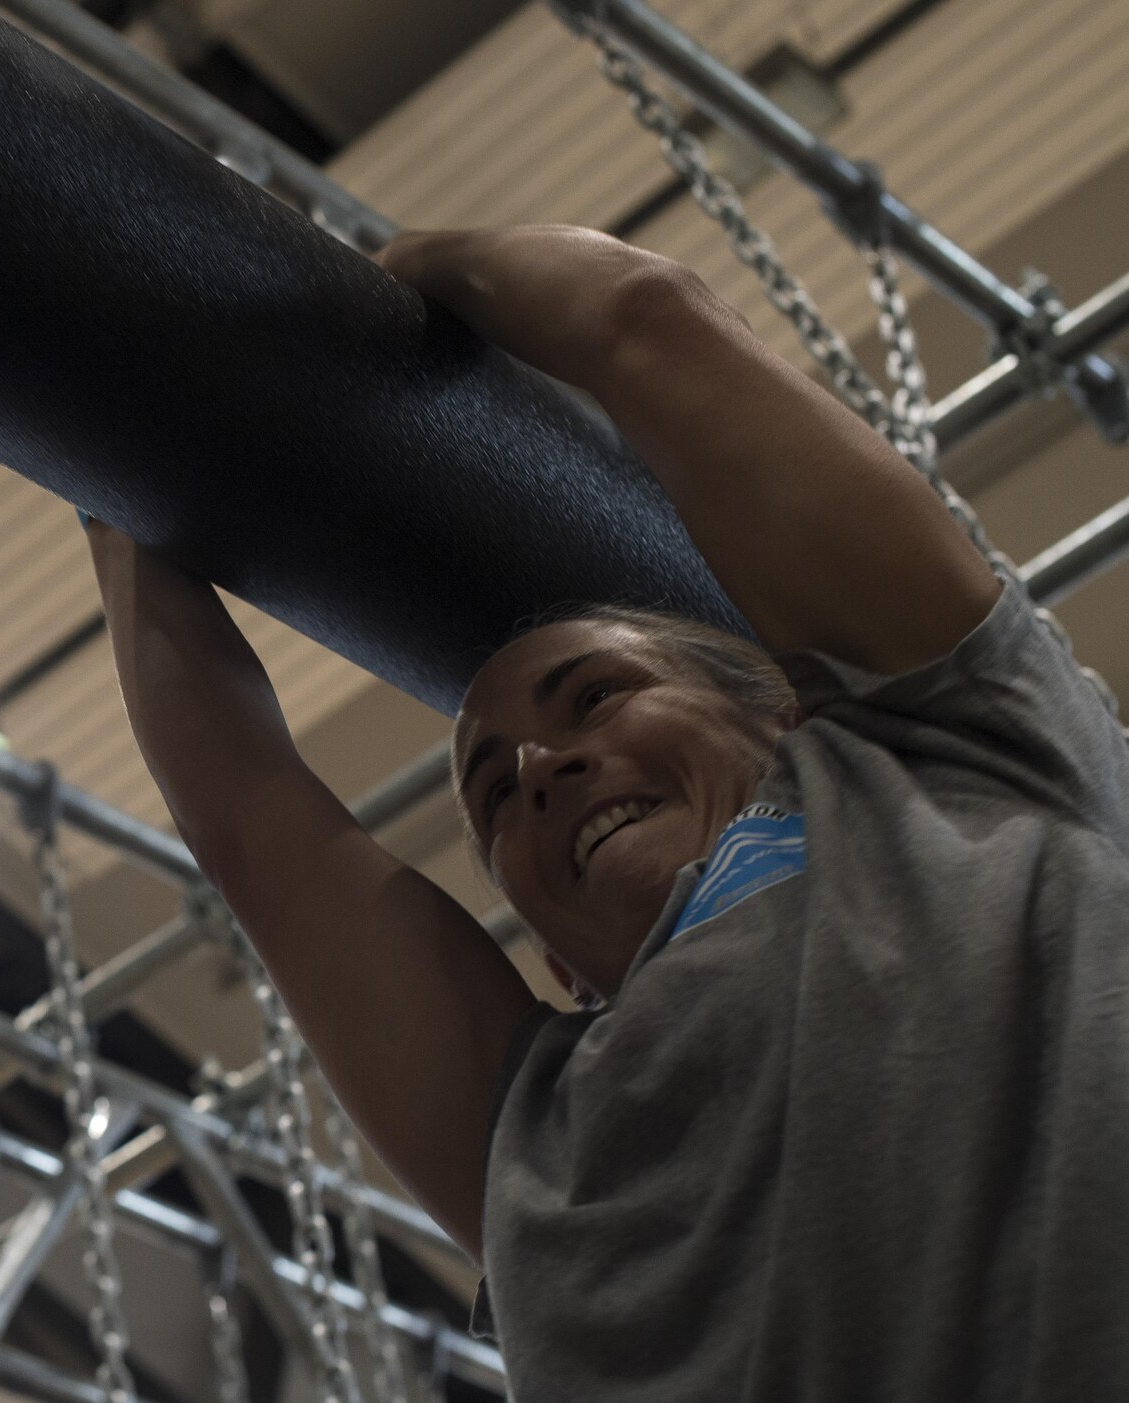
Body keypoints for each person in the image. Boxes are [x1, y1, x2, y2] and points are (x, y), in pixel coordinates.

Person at [84, 225, 1129, 1401]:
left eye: (595, 696)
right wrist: (96, 448)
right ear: (555, 964)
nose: (535, 766)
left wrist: (390, 271)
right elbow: (246, 816)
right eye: (491, 792)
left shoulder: (961, 756)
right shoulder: (531, 1138)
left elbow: (645, 321)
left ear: (778, 716)